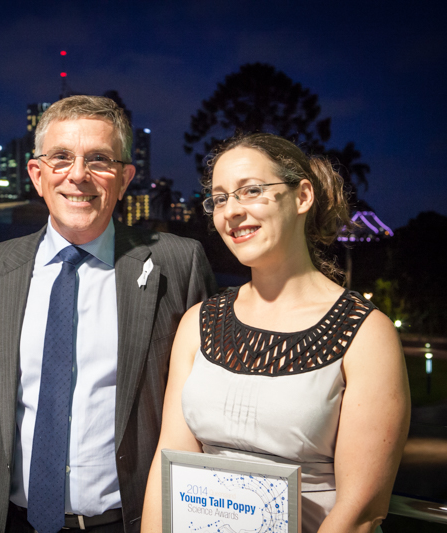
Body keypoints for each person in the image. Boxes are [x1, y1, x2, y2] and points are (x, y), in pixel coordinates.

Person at [0, 95, 217, 533]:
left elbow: (202, 405)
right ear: (37, 175)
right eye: (61, 158)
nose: (78, 175)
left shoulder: (178, 263)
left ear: (124, 177)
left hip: (131, 522)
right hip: (11, 521)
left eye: (98, 159)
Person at [141, 133, 410, 533]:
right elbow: (170, 463)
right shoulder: (197, 323)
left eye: (250, 191)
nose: (231, 210)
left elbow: (360, 512)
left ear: (302, 197)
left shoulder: (367, 335)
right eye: (219, 198)